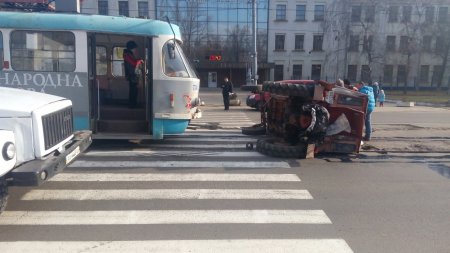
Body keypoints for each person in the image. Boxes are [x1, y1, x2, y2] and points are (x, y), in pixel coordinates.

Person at [123, 40, 144, 108]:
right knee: (133, 90)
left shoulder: (128, 54)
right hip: (132, 75)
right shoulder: (127, 54)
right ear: (131, 47)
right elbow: (133, 63)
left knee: (134, 90)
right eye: (134, 48)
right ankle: (132, 105)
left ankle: (133, 104)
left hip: (133, 74)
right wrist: (139, 61)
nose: (135, 49)